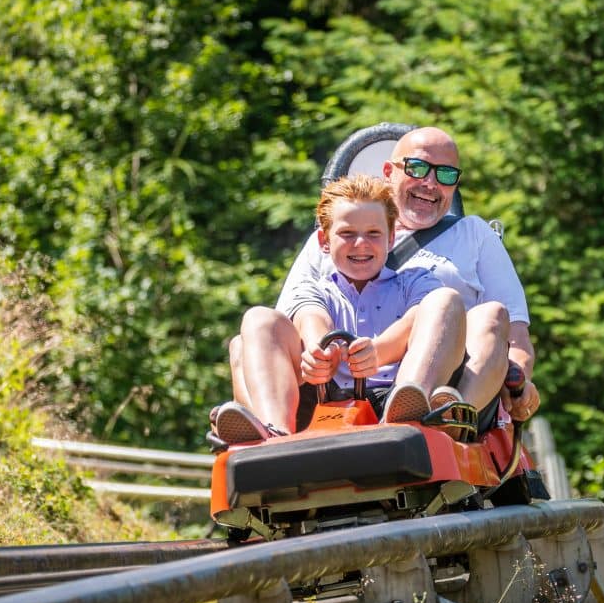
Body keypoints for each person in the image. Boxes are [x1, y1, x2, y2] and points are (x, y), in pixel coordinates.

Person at [224, 126, 540, 433]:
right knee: (249, 334)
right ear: (388, 172)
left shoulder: (468, 239)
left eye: (444, 174)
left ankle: (429, 409)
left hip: (443, 372)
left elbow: (509, 335)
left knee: (475, 310)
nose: (429, 183)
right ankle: (271, 430)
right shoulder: (326, 253)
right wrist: (323, 350)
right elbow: (300, 312)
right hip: (330, 382)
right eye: (417, 168)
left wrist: (517, 379)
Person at [212, 174, 467, 443]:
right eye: (347, 233)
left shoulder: (414, 281)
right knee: (257, 319)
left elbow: (423, 314)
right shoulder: (314, 288)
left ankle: (407, 409)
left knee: (446, 299)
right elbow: (311, 316)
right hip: (322, 397)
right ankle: (275, 431)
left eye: (373, 234)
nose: (360, 244)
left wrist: (377, 352)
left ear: (391, 238)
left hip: (390, 394)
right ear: (324, 241)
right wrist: (321, 353)